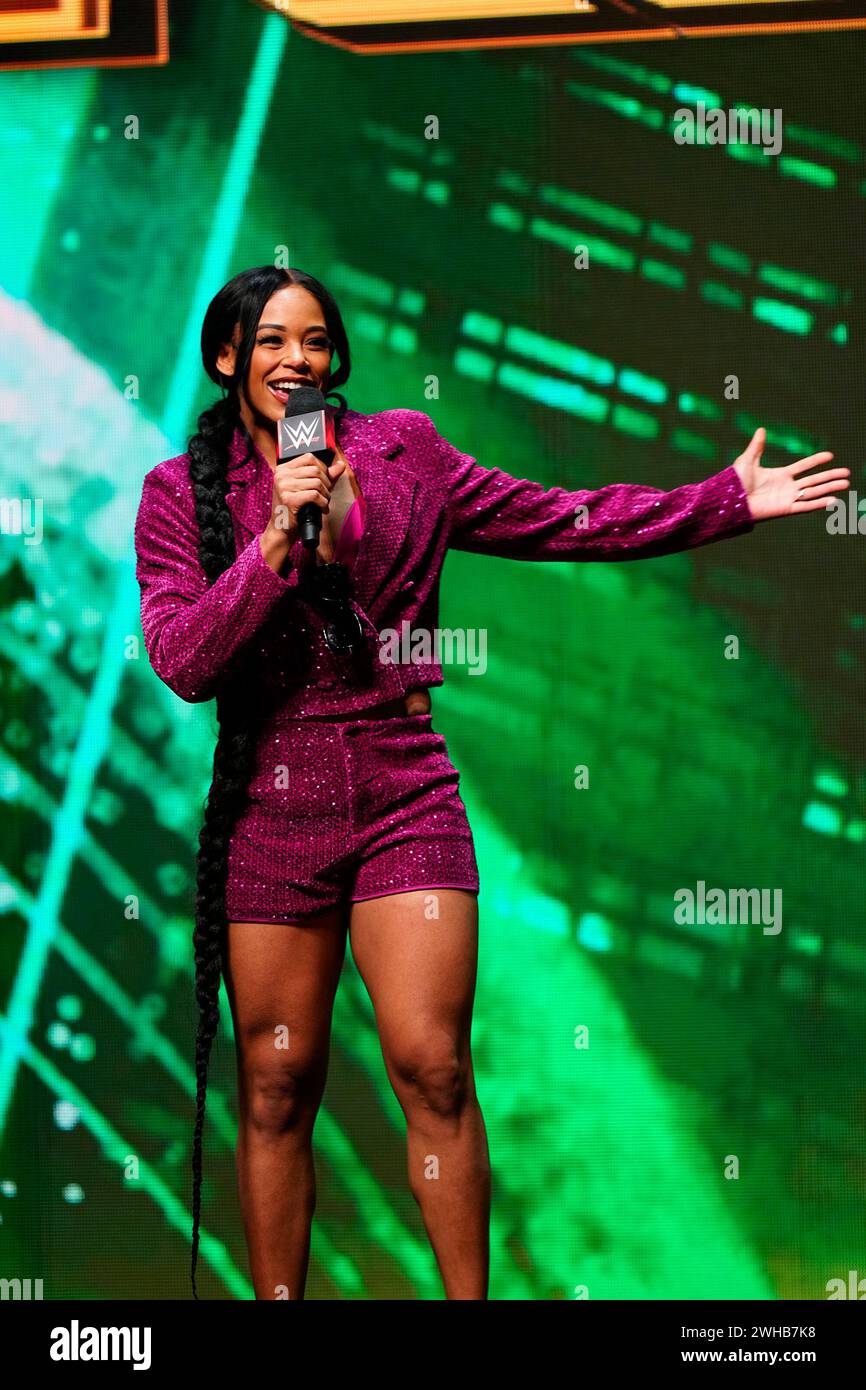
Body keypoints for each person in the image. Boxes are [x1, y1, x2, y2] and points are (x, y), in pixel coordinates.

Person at [133, 264, 848, 1301]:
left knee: (431, 1065)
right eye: (274, 341)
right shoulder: (177, 498)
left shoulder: (402, 454)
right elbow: (185, 660)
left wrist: (720, 502)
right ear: (226, 360)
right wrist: (279, 539)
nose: (299, 360)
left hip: (399, 790)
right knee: (278, 1083)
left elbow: (560, 517)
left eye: (317, 342)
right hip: (270, 806)